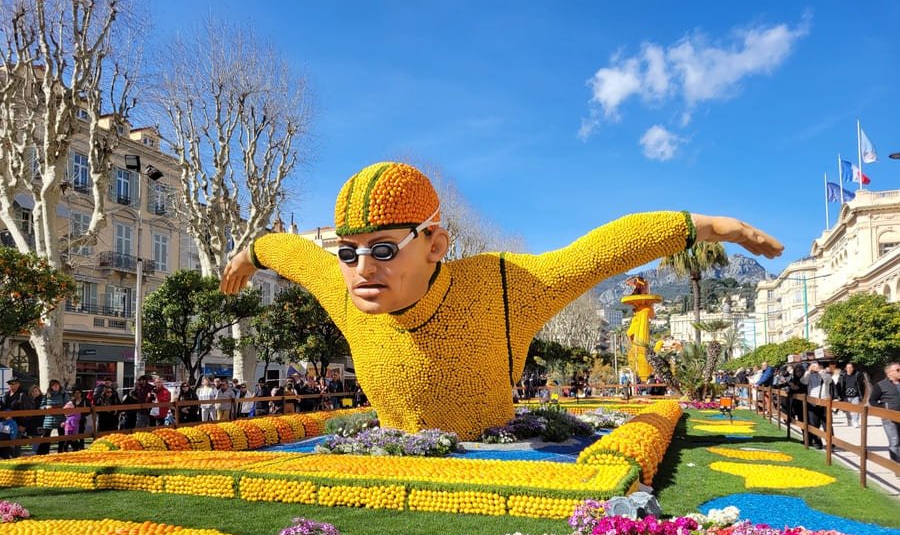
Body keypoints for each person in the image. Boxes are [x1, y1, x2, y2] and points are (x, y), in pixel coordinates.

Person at [220, 161, 782, 439]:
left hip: (495, 444)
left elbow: (602, 251)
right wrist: (249, 255)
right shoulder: (350, 297)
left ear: (436, 244)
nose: (362, 268)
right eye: (349, 252)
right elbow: (291, 253)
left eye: (385, 248)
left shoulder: (502, 287)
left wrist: (708, 227)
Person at [868, 361, 900, 463]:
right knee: (894, 441)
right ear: (889, 372)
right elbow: (872, 401)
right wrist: (884, 408)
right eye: (898, 370)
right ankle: (896, 466)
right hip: (889, 418)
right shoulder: (880, 385)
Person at [801, 362, 832, 449]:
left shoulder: (825, 373)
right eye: (813, 366)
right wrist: (808, 371)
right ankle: (817, 441)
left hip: (824, 401)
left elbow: (828, 380)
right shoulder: (809, 375)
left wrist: (820, 371)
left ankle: (830, 443)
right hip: (812, 401)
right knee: (814, 423)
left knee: (827, 423)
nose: (814, 368)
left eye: (816, 366)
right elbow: (803, 381)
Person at [836, 362, 866, 427]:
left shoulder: (857, 375)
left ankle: (855, 421)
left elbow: (862, 386)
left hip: (855, 396)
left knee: (856, 409)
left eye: (850, 367)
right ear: (845, 368)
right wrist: (839, 395)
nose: (849, 369)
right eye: (848, 368)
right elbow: (839, 385)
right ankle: (849, 420)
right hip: (845, 396)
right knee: (847, 410)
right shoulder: (842, 376)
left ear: (853, 368)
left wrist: (861, 395)